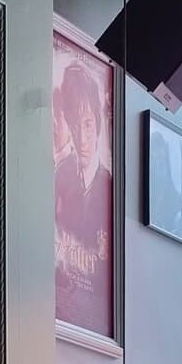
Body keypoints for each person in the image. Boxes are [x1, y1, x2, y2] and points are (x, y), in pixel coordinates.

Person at [55, 59, 113, 320]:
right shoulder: (60, 174)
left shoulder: (109, 187)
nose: (82, 138)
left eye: (88, 124)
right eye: (75, 125)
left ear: (98, 124)